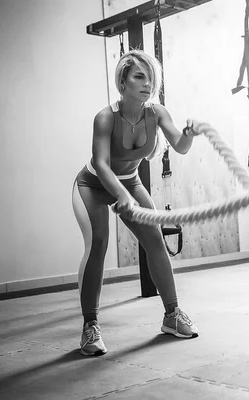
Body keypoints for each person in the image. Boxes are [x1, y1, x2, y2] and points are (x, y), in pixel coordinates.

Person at [71, 49, 201, 356]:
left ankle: (172, 315)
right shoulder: (105, 117)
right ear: (123, 81)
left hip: (130, 182)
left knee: (155, 240)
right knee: (99, 242)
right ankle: (90, 326)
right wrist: (122, 197)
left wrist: (189, 133)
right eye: (139, 77)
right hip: (92, 184)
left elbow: (180, 147)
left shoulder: (157, 113)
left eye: (150, 78)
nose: (146, 84)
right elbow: (102, 165)